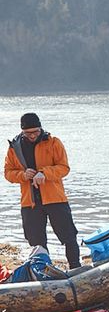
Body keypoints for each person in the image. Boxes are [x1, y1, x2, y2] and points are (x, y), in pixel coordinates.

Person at [4, 112, 80, 268]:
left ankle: (75, 266)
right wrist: (23, 175)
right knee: (36, 241)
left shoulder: (53, 142)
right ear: (22, 131)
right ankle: (43, 270)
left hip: (55, 199)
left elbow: (64, 168)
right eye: (28, 133)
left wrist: (44, 173)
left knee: (69, 236)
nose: (32, 136)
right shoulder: (14, 147)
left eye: (36, 132)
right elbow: (8, 173)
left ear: (41, 128)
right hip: (29, 202)